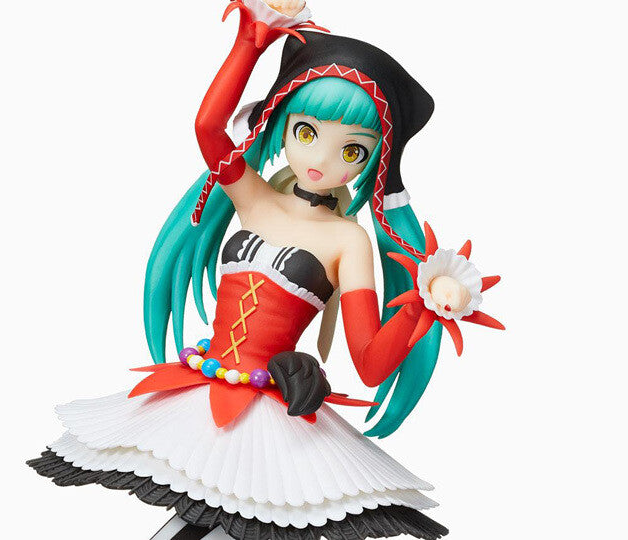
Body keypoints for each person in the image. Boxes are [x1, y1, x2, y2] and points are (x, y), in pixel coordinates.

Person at [28, 2, 503, 539]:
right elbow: (209, 128)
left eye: (352, 149)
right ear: (280, 121)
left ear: (375, 160)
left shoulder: (348, 241)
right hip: (205, 385)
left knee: (236, 517)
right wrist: (249, 43)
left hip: (269, 411)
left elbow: (370, 365)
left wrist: (421, 308)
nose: (322, 159)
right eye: (307, 133)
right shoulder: (253, 198)